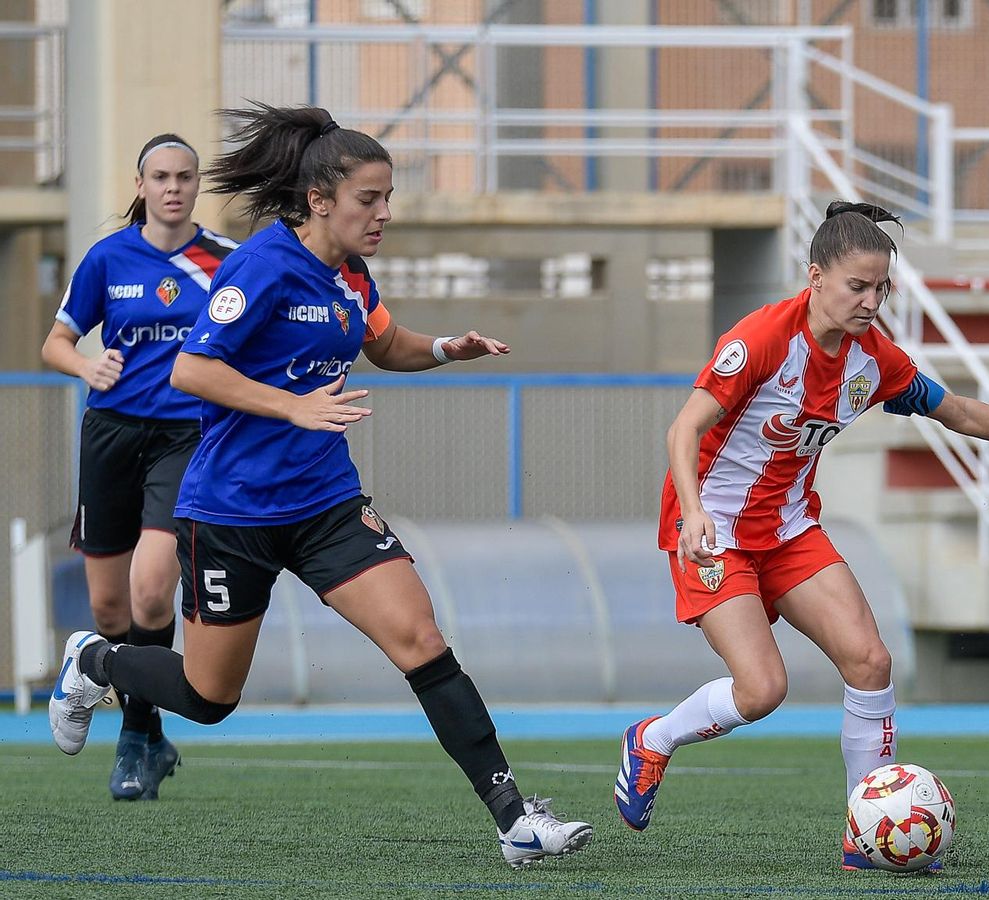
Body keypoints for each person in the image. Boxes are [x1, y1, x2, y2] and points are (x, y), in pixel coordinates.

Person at [47, 103, 591, 867]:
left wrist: (444, 347)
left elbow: (385, 342)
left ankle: (513, 819)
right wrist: (293, 405)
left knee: (422, 639)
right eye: (370, 199)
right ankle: (94, 662)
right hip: (232, 512)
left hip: (327, 503)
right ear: (319, 201)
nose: (384, 214)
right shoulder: (261, 265)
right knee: (209, 699)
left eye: (387, 198)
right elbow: (192, 369)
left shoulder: (352, 276)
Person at [612, 201, 989, 871]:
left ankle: (864, 836)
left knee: (871, 663)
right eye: (857, 287)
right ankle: (652, 740)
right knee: (761, 691)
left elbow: (956, 410)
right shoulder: (761, 340)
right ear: (814, 278)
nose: (871, 301)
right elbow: (683, 430)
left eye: (882, 288)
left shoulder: (874, 361)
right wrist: (694, 512)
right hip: (713, 531)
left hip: (788, 528)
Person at [41, 133, 237, 801]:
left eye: (185, 175)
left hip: (184, 438)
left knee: (153, 589)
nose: (173, 186)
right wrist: (85, 364)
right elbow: (56, 341)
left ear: (196, 184)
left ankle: (133, 738)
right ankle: (152, 739)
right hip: (110, 435)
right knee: (106, 603)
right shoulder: (107, 259)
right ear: (141, 184)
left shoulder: (225, 262)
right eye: (160, 176)